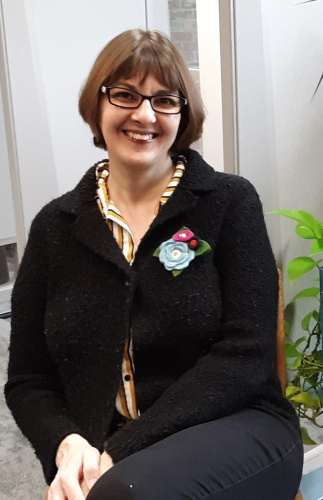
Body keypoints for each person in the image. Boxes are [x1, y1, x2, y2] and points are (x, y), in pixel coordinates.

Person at [5, 29, 303, 500]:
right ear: (96, 105)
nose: (144, 115)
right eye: (124, 95)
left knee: (123, 492)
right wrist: (68, 446)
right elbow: (27, 379)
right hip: (106, 449)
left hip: (239, 425)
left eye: (165, 100)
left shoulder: (228, 202)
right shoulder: (54, 228)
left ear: (183, 114)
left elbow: (246, 355)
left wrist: (119, 453)